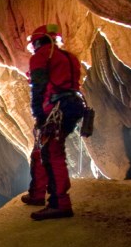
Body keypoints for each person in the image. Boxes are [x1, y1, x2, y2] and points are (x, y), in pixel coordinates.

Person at [20, 23, 88, 220]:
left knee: (52, 153)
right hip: (73, 105)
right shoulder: (69, 57)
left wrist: (39, 114)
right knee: (42, 150)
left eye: (34, 45)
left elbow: (39, 87)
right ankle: (38, 194)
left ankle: (60, 203)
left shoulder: (41, 56)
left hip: (56, 109)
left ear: (39, 41)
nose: (33, 49)